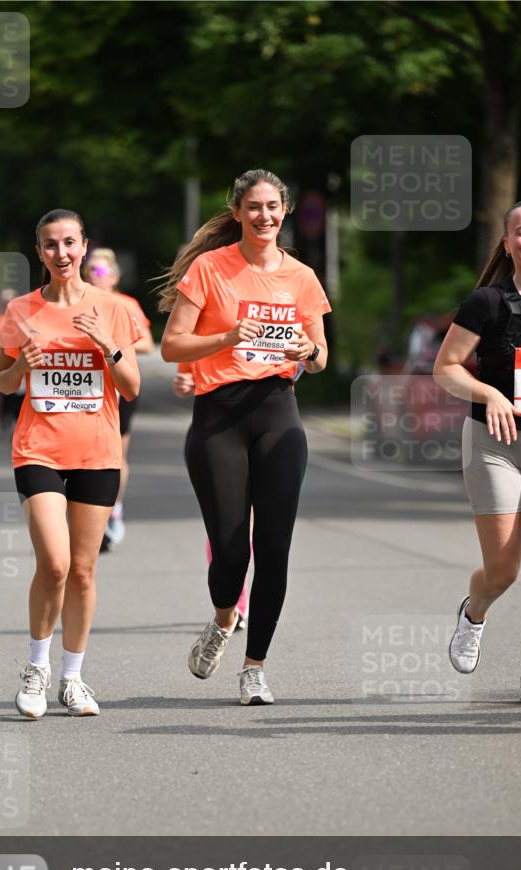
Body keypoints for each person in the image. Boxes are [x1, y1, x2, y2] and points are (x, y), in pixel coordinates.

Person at [160, 168, 331, 705]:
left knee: (274, 549)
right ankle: (221, 619)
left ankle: (255, 667)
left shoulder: (301, 275)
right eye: (253, 207)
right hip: (219, 417)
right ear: (237, 212)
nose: (264, 216)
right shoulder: (210, 269)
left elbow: (322, 356)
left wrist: (309, 353)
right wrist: (229, 335)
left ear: (283, 212)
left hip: (278, 410)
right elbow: (172, 346)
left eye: (272, 207)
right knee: (232, 553)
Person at [0, 209, 140, 719]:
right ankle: (36, 669)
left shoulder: (112, 308)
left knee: (82, 571)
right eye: (51, 245)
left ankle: (72, 678)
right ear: (39, 252)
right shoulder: (21, 310)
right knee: (54, 564)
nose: (62, 253)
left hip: (97, 453)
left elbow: (132, 387)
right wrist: (20, 365)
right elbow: (3, 383)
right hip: (38, 447)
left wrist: (106, 344)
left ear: (84, 247)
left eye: (70, 243)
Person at [433, 200, 521, 705]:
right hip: (494, 446)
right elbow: (446, 368)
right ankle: (474, 610)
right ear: (507, 244)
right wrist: (490, 393)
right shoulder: (487, 302)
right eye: (520, 232)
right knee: (504, 570)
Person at [84, 248, 154, 546]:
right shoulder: (78, 303)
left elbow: (147, 344)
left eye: (100, 271)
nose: (95, 276)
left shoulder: (126, 305)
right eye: (90, 271)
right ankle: (87, 512)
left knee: (116, 452)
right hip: (85, 388)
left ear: (113, 276)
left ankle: (113, 510)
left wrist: (113, 346)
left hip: (119, 386)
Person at [173, 360, 250, 630]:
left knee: (252, 527)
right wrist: (185, 383)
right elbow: (184, 378)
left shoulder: (271, 320)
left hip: (263, 431)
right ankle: (234, 604)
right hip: (215, 434)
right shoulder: (200, 326)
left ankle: (240, 602)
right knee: (225, 527)